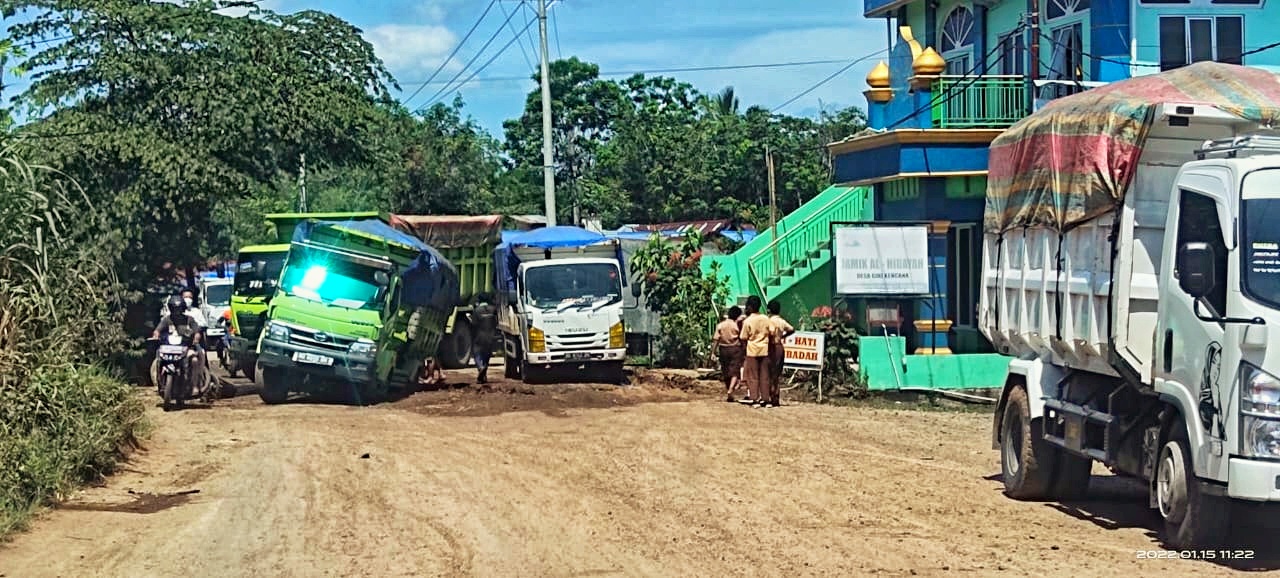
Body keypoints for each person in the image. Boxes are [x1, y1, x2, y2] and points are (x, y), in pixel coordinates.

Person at [152, 295, 206, 396]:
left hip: (186, 348)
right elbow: (158, 329)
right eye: (175, 309)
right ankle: (158, 382)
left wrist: (196, 336)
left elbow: (197, 329)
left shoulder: (189, 319)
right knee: (158, 360)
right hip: (169, 348)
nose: (177, 311)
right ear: (171, 308)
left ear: (183, 308)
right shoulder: (167, 320)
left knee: (194, 360)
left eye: (179, 309)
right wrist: (156, 335)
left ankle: (194, 385)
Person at [738, 296, 776, 408]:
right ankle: (766, 399)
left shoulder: (747, 321)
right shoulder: (765, 318)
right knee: (765, 376)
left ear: (749, 307)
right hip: (764, 350)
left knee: (753, 376)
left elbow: (743, 337)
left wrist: (745, 350)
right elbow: (773, 332)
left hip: (752, 350)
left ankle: (755, 399)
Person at [766, 300, 796, 407]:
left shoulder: (768, 321)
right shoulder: (781, 321)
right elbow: (792, 329)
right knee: (776, 374)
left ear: (769, 310)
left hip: (770, 347)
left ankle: (770, 396)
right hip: (779, 346)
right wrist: (783, 336)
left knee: (769, 373)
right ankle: (776, 397)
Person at [712, 306, 745, 402]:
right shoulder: (737, 326)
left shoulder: (721, 325)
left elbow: (716, 339)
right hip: (735, 348)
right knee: (735, 371)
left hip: (723, 349)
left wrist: (713, 352)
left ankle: (729, 390)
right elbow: (742, 338)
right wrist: (744, 349)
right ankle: (731, 390)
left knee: (725, 371)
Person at [471, 293, 499, 384]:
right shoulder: (493, 309)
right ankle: (483, 376)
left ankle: (480, 367)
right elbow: (496, 322)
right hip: (491, 336)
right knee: (487, 355)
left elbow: (473, 325)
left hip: (480, 336)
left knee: (477, 353)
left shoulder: (476, 311)